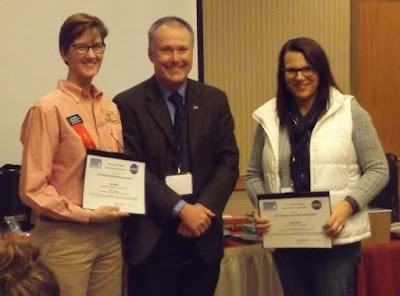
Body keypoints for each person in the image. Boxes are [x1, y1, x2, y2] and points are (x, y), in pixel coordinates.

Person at [245, 37, 389, 296]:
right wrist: (263, 206)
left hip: (336, 240)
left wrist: (346, 208)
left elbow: (378, 169)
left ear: (320, 70)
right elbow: (254, 174)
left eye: (307, 68)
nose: (300, 76)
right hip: (286, 239)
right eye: (291, 70)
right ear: (283, 74)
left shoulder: (349, 110)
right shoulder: (269, 117)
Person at [113, 16, 239, 296]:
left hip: (202, 237)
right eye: (166, 50)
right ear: (150, 54)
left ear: (192, 52)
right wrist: (181, 209)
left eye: (182, 49)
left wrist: (201, 212)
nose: (175, 58)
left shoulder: (215, 100)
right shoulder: (128, 103)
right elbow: (134, 169)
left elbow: (228, 162)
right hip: (152, 241)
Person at [19, 13, 128, 296]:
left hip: (109, 235)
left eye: (98, 46)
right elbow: (33, 189)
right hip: (65, 237)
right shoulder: (47, 109)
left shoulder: (110, 107)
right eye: (82, 47)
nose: (91, 55)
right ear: (64, 52)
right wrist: (85, 216)